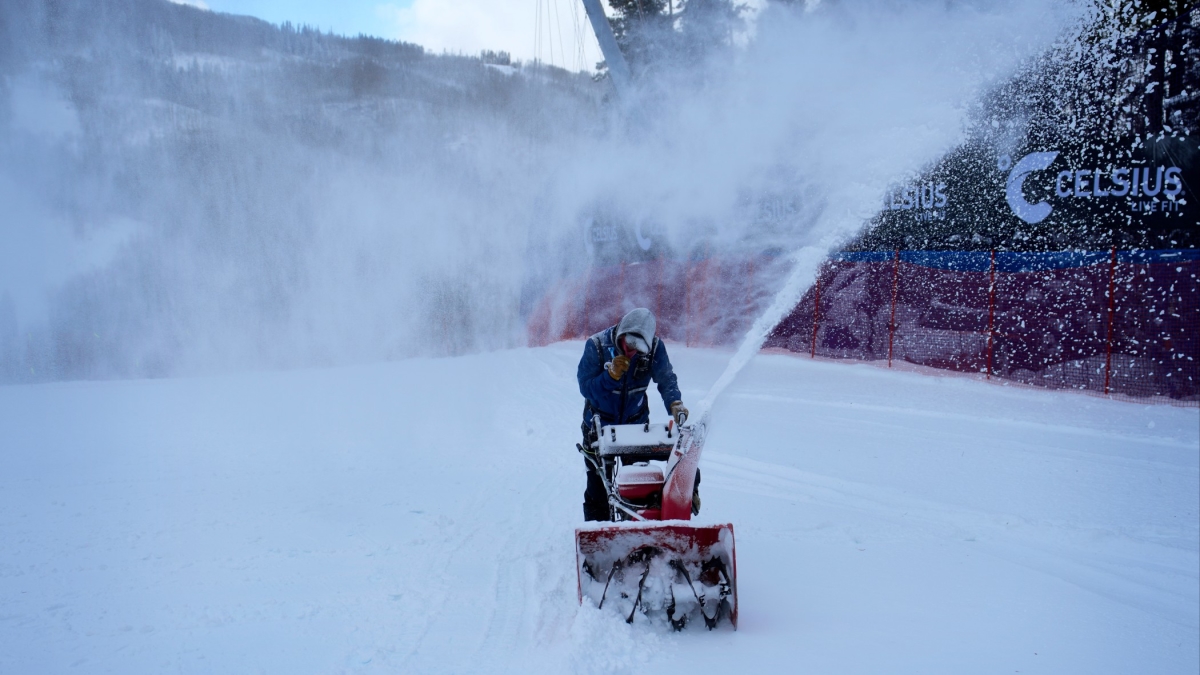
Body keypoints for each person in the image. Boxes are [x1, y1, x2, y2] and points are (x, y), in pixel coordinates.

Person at [576, 307, 694, 521]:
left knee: (639, 484)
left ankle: (638, 529)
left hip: (635, 425)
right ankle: (598, 538)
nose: (631, 352)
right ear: (621, 333)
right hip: (598, 426)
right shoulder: (597, 346)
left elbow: (666, 379)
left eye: (638, 350)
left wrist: (675, 402)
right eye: (629, 345)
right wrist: (609, 376)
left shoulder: (655, 348)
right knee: (598, 488)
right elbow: (585, 387)